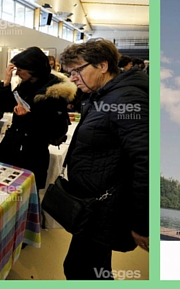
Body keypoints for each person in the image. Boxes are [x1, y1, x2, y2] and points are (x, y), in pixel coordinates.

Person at [59, 39, 149, 279]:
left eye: (78, 70)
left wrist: (142, 224)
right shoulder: (105, 94)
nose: (73, 78)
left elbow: (145, 161)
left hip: (105, 207)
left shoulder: (126, 98)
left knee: (82, 270)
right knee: (89, 268)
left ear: (102, 65)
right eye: (70, 73)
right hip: (93, 205)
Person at [0, 47, 76, 187]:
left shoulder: (55, 90)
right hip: (11, 145)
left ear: (33, 68)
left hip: (33, 152)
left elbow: (57, 128)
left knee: (27, 192)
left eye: (20, 69)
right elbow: (6, 105)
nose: (17, 73)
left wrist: (29, 116)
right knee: (2, 186)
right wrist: (6, 82)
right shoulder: (25, 84)